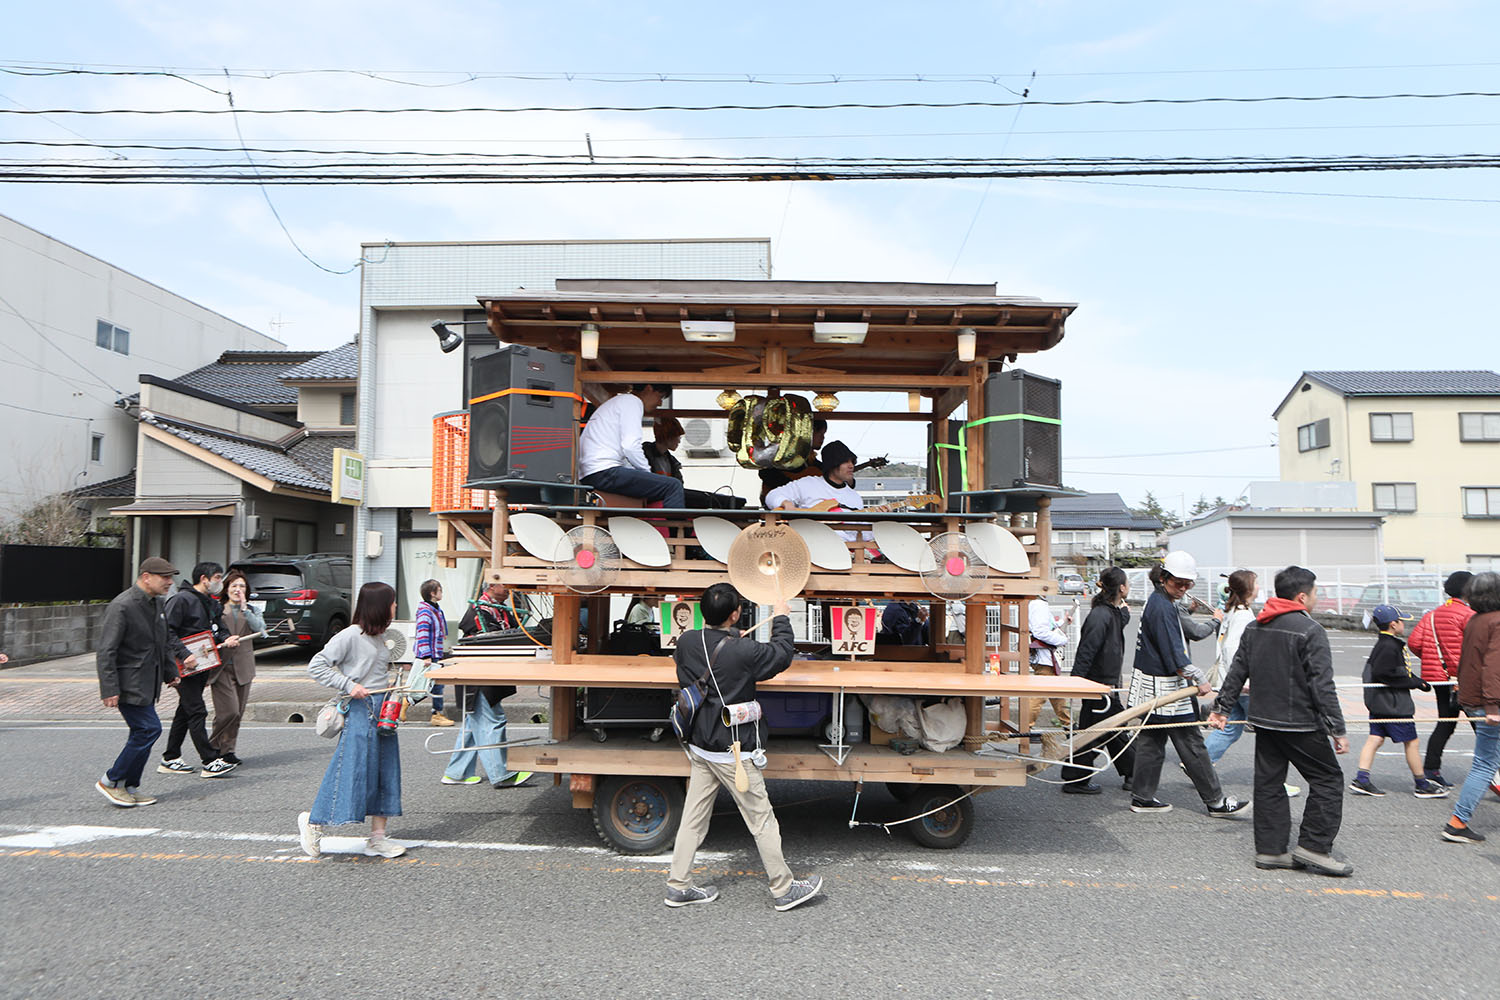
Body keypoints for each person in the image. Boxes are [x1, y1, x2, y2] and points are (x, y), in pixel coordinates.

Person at [664, 582, 822, 911]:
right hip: (733, 751)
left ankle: (678, 885)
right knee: (761, 820)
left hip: (700, 745)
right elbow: (781, 654)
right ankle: (783, 889)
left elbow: (712, 655)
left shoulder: (688, 641)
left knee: (693, 819)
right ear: (735, 614)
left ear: (702, 611)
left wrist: (730, 640)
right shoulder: (743, 651)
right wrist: (780, 617)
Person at [1210, 565, 1353, 876]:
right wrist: (1337, 729)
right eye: (1315, 593)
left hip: (1263, 720)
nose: (1316, 598)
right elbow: (1322, 685)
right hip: (1300, 723)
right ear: (1302, 596)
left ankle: (1271, 850)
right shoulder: (1310, 630)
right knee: (1328, 780)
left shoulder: (1257, 626)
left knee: (1269, 784)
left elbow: (1237, 672)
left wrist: (1221, 707)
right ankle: (1314, 847)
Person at [1126, 551, 1248, 817]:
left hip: (1149, 684)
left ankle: (1142, 797)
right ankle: (1215, 801)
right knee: (1191, 742)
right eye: (1177, 583)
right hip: (1168, 687)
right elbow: (1175, 653)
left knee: (1151, 741)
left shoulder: (1159, 601)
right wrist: (1201, 679)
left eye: (1187, 584)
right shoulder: (1162, 607)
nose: (1182, 588)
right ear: (1164, 577)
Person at [298, 582, 407, 859]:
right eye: (392, 602)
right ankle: (313, 823)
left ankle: (378, 838)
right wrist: (349, 684)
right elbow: (317, 665)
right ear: (380, 606)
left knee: (385, 771)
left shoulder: (381, 636)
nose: (395, 607)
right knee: (350, 770)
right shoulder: (350, 635)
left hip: (382, 711)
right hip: (359, 710)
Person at [94, 557, 195, 807]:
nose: (170, 583)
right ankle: (111, 780)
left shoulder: (157, 603)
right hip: (129, 681)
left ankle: (129, 786)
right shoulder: (123, 605)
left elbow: (162, 641)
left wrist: (170, 671)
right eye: (165, 578)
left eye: (171, 577)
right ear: (146, 576)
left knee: (144, 732)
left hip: (148, 681)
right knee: (148, 729)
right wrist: (109, 688)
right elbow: (106, 650)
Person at [1203, 571, 1301, 798]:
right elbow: (1233, 650)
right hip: (1244, 685)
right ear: (1248, 588)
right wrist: (1244, 680)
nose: (1259, 587)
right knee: (1270, 734)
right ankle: (1275, 782)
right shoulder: (1244, 615)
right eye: (1256, 583)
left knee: (1231, 729)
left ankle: (1201, 765)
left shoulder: (1233, 611)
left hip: (1233, 683)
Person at [432, 580, 534, 789]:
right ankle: (501, 773)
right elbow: (491, 640)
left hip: (483, 673)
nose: (508, 589)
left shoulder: (496, 608)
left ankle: (456, 773)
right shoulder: (480, 610)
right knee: (492, 721)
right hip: (477, 674)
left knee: (474, 725)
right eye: (504, 585)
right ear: (490, 587)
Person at [1350, 605, 1447, 799]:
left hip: (1380, 703)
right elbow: (1384, 673)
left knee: (1375, 739)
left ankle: (1362, 778)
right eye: (1401, 621)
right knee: (1412, 741)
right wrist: (1414, 683)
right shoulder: (1389, 646)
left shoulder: (1384, 643)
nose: (1404, 624)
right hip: (1394, 705)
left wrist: (1417, 680)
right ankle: (1421, 783)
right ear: (1393, 624)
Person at [160, 561, 239, 778]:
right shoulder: (181, 600)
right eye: (216, 578)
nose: (219, 583)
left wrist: (227, 638)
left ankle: (170, 757)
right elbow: (167, 632)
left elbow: (218, 630)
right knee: (196, 710)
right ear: (203, 579)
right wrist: (185, 655)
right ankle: (210, 760)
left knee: (185, 711)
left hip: (202, 665)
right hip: (183, 666)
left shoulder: (210, 602)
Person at [1061, 567, 1135, 794]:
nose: (1129, 587)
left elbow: (1119, 621)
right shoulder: (1101, 615)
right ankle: (1076, 779)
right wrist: (1077, 682)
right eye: (1127, 583)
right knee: (1096, 733)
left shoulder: (1109, 612)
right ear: (1121, 588)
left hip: (1105, 684)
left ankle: (1133, 775)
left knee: (1111, 730)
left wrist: (1125, 612)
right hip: (1098, 685)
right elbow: (1087, 650)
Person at [1441, 572, 1500, 844]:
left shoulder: (1476, 619)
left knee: (1486, 761)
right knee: (1485, 764)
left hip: (1473, 697)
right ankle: (1458, 822)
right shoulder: (1497, 621)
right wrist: (1493, 705)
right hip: (1490, 703)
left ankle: (1458, 821)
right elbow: (1493, 666)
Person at [1410, 571, 1475, 787]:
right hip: (1465, 679)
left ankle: (1431, 770)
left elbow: (1414, 642)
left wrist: (1434, 661)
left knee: (1445, 723)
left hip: (1440, 679)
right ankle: (1492, 772)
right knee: (1483, 725)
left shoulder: (1431, 614)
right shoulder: (1468, 615)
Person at [578, 379, 684, 508]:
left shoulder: (620, 402)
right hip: (604, 471)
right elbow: (630, 446)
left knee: (665, 486)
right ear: (649, 388)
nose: (660, 402)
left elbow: (626, 453)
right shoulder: (632, 402)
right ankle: (675, 528)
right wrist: (647, 473)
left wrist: (646, 477)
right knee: (673, 486)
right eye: (660, 396)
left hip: (593, 471)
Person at [209, 570, 263, 766]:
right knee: (228, 711)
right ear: (226, 589)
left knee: (238, 712)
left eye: (242, 586)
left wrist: (244, 608)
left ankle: (228, 750)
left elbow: (260, 630)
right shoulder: (217, 609)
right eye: (234, 586)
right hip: (221, 667)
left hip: (244, 667)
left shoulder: (252, 610)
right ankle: (213, 746)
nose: (238, 590)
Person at [765, 439, 861, 514]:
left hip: (846, 540)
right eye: (845, 461)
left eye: (852, 461)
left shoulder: (855, 497)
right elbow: (772, 496)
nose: (851, 466)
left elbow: (865, 533)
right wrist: (785, 503)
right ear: (833, 464)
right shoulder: (808, 484)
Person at [1027, 596, 1074, 729]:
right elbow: (1041, 632)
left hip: (1044, 656)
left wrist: (1062, 623)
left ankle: (1068, 724)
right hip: (1044, 657)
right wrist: (1062, 640)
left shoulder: (1037, 603)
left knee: (1056, 692)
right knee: (1041, 694)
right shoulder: (1038, 604)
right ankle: (1026, 726)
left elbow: (1044, 628)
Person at [414, 579, 455, 726]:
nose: (442, 593)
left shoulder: (435, 609)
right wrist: (426, 655)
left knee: (430, 684)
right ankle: (436, 714)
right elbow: (422, 633)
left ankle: (434, 712)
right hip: (428, 654)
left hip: (435, 652)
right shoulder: (426, 610)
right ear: (432, 593)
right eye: (440, 590)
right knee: (432, 684)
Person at [759, 417, 827, 504]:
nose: (823, 437)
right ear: (807, 432)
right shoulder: (784, 453)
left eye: (824, 433)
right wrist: (795, 487)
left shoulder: (814, 463)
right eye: (819, 432)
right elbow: (766, 472)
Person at [643, 415, 685, 480]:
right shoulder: (644, 455)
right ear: (667, 436)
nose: (679, 441)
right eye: (677, 436)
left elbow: (679, 486)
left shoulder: (672, 461)